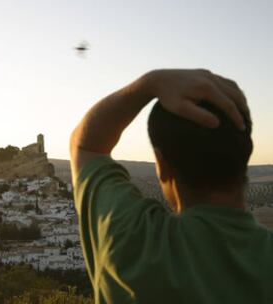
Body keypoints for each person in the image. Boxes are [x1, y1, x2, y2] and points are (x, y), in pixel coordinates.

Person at [70, 69, 273, 304]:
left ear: (161, 165)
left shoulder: (131, 241)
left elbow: (87, 146)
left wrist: (149, 84)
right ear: (245, 156)